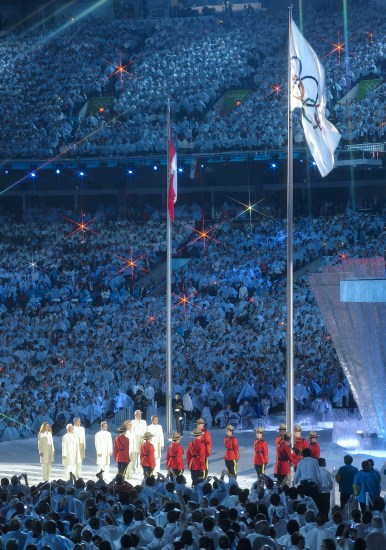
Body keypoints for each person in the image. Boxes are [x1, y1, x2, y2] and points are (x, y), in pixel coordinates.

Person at [131, 409, 147, 476]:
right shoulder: (132, 422)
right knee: (135, 453)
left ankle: (140, 468)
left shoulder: (144, 422)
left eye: (140, 414)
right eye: (137, 414)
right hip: (135, 438)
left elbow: (145, 430)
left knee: (142, 454)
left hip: (142, 438)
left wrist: (145, 439)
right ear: (135, 415)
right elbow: (132, 431)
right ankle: (133, 468)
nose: (139, 415)